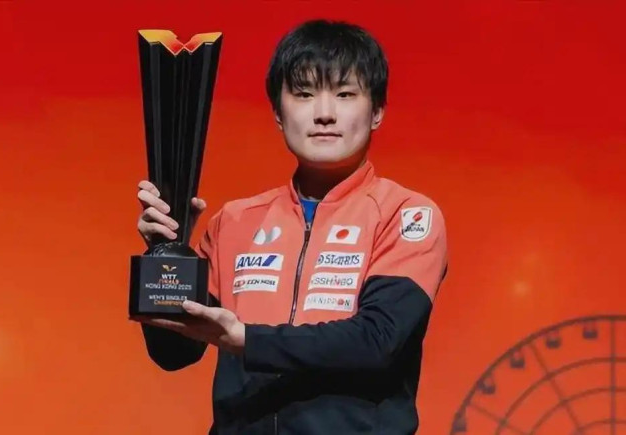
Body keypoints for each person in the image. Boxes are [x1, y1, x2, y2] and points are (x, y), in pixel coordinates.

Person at [134, 19, 448, 435]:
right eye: (304, 94)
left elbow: (377, 340)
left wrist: (247, 339)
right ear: (278, 115)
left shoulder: (406, 215)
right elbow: (175, 353)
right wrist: (166, 253)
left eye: (345, 94)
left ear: (376, 112)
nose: (324, 113)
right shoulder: (234, 221)